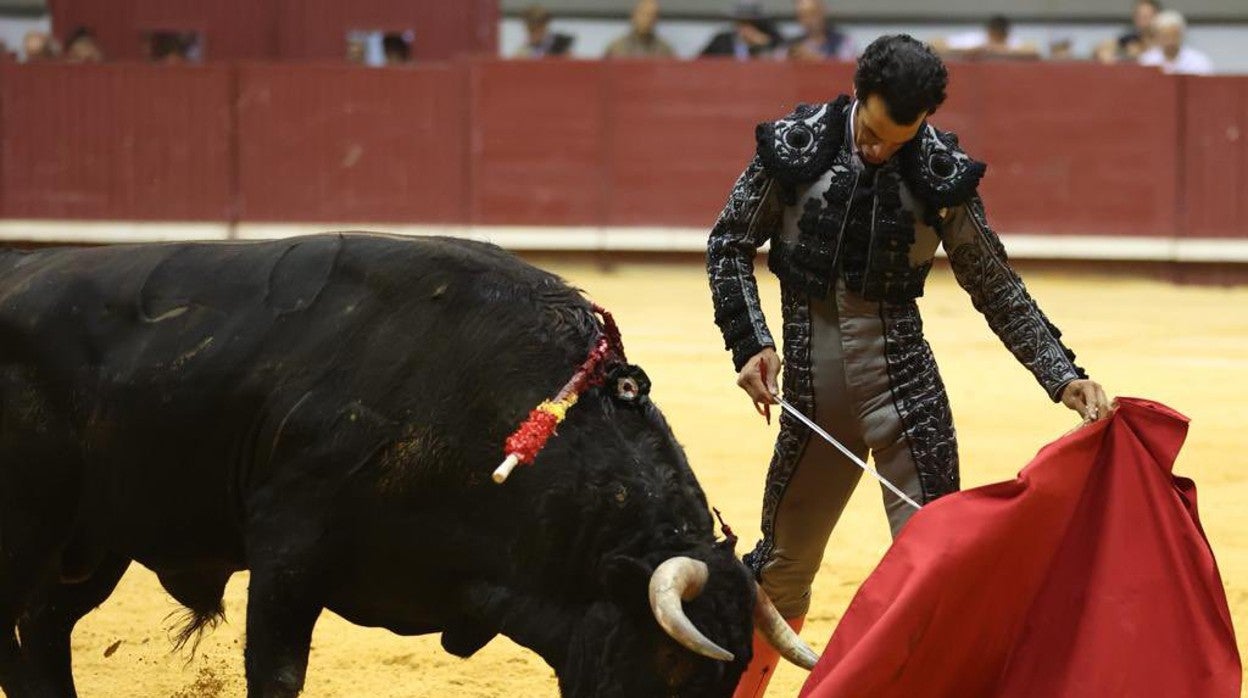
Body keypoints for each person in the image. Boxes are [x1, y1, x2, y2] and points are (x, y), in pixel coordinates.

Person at [705, 34, 1110, 697]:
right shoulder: (797, 144)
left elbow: (995, 285)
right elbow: (729, 242)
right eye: (871, 133)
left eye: (897, 140)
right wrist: (748, 339)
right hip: (812, 397)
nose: (878, 151)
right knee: (780, 571)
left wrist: (1062, 374)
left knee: (938, 576)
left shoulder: (938, 172)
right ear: (858, 95)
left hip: (909, 399)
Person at [1138, 9, 1213, 75]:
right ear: (1157, 37)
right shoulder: (1147, 61)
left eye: (1174, 36)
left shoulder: (1198, 61)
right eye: (1165, 37)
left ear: (1181, 35)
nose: (1170, 41)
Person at [700, 1, 781, 60]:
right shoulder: (721, 41)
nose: (746, 28)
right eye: (742, 23)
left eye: (751, 23)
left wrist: (764, 44)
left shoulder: (772, 40)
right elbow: (699, 62)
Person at [936, 15, 1041, 60]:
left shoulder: (1011, 42)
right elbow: (937, 44)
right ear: (989, 32)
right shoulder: (976, 40)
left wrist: (998, 51)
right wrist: (967, 51)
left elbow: (1033, 51)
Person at [785, 0, 855, 62]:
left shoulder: (842, 42)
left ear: (822, 11)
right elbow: (776, 62)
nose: (809, 20)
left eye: (812, 13)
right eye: (804, 15)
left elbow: (848, 68)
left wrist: (817, 60)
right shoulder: (790, 45)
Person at [604, 0, 675, 59]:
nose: (648, 20)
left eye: (652, 16)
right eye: (644, 14)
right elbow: (603, 73)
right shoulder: (617, 48)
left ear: (656, 19)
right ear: (634, 15)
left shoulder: (664, 50)